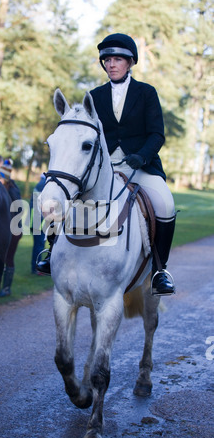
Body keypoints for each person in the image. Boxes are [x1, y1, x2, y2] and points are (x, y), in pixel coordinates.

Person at [89, 33, 176, 295]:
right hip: (104, 168)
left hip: (140, 165)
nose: (112, 64)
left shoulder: (146, 92)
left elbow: (157, 134)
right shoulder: (94, 95)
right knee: (66, 195)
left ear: (130, 63)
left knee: (165, 203)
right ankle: (52, 252)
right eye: (107, 60)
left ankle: (160, 270)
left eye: (118, 59)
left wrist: (142, 155)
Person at [0, 160, 22, 296]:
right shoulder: (6, 189)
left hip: (14, 230)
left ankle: (6, 289)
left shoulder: (12, 190)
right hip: (8, 229)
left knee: (8, 258)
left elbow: (17, 211)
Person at [30, 174, 46, 274]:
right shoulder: (44, 184)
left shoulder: (40, 184)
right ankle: (37, 268)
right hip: (39, 220)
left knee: (38, 245)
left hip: (35, 220)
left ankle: (35, 267)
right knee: (39, 245)